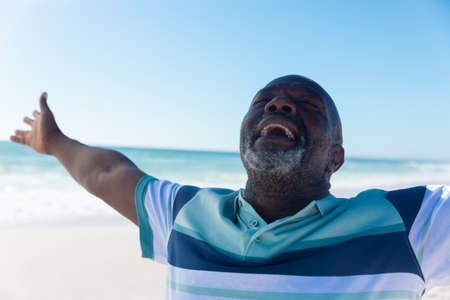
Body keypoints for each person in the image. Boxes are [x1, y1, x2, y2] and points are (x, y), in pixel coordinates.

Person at [11, 75, 449, 299]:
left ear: (335, 157)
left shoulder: (409, 225)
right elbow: (107, 174)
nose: (278, 104)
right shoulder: (187, 216)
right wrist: (54, 142)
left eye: (308, 105)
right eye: (263, 101)